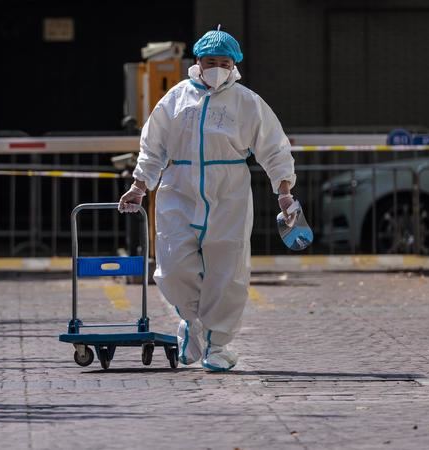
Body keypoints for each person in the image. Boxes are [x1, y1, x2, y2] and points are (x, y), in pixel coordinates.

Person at [118, 26, 296, 372]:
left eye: (224, 62)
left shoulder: (247, 102)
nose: (216, 67)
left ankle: (218, 345)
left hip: (228, 189)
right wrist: (140, 185)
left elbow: (274, 148)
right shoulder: (175, 99)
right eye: (210, 60)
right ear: (197, 61)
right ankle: (192, 322)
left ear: (235, 64)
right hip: (178, 187)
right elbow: (152, 145)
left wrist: (285, 191)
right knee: (170, 266)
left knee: (226, 269)